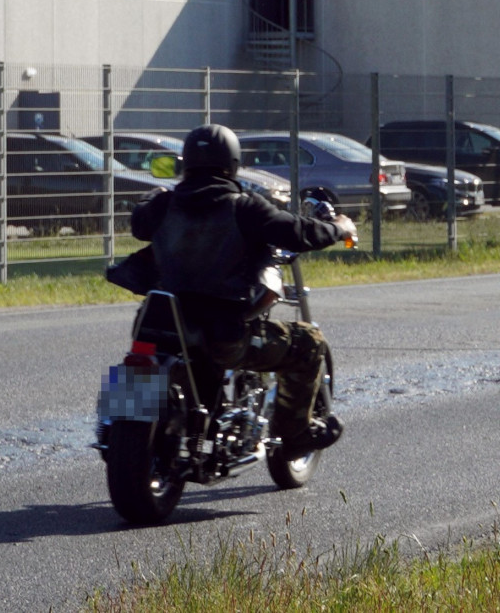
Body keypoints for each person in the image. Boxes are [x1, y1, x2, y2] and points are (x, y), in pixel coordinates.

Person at [130, 123, 357, 459]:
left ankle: (114, 428)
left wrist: (158, 193)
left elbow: (138, 223)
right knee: (309, 343)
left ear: (187, 162)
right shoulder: (244, 207)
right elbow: (297, 233)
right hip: (221, 334)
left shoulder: (163, 207)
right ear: (233, 163)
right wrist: (339, 227)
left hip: (161, 328)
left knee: (132, 367)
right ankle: (295, 435)